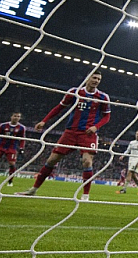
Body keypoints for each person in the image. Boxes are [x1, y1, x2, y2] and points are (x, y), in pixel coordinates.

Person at [17, 70, 111, 200]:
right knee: (52, 160)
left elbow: (107, 116)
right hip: (71, 132)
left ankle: (85, 195)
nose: (96, 81)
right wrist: (44, 120)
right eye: (94, 77)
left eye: (99, 79)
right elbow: (59, 108)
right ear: (88, 77)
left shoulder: (103, 97)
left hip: (88, 134)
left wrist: (96, 127)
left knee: (87, 162)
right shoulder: (74, 92)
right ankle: (33, 189)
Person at [117, 129, 138, 194]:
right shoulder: (132, 142)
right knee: (133, 175)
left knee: (129, 173)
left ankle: (124, 189)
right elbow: (128, 150)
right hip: (131, 159)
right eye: (137, 134)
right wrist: (123, 156)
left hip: (137, 159)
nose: (137, 135)